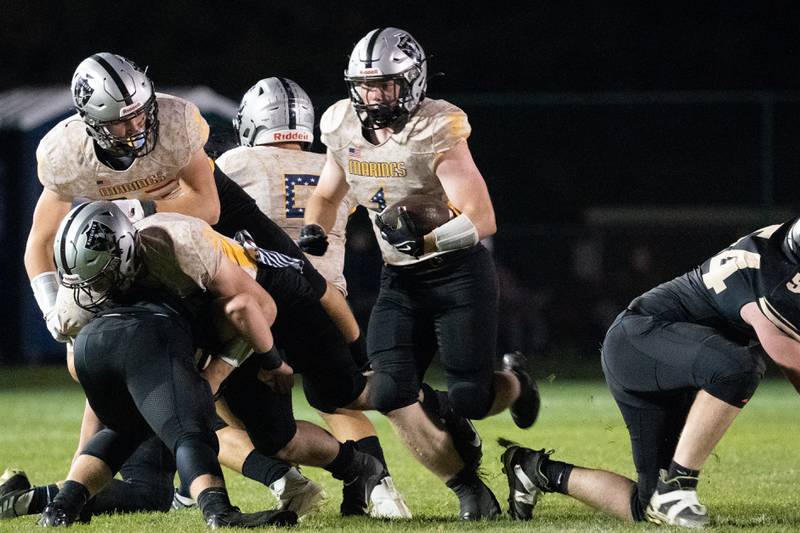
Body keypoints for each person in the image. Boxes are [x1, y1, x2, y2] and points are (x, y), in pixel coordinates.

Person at [19, 51, 335, 516]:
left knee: (184, 405)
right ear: (90, 121)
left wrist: (136, 216)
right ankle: (84, 496)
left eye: (138, 114)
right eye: (120, 122)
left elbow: (207, 209)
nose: (136, 127)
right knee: (133, 399)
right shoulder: (66, 155)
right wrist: (52, 308)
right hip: (118, 284)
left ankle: (63, 499)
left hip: (177, 266)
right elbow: (39, 243)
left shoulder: (177, 153)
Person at [302, 27, 540, 520]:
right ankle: (468, 488)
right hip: (401, 279)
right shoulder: (341, 124)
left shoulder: (437, 126)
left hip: (458, 275)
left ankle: (516, 382)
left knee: (473, 398)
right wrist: (314, 232)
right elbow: (327, 193)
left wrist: (430, 238)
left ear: (412, 82)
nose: (376, 95)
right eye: (368, 85)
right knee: (389, 391)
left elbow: (482, 217)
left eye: (388, 84)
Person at [500, 220, 800, 527]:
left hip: (670, 357)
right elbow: (788, 357)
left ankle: (536, 470)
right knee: (738, 367)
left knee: (647, 505)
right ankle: (679, 485)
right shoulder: (774, 279)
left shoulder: (780, 249)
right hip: (641, 342)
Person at [215, 76, 409, 517]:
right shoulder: (333, 163)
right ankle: (382, 491)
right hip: (328, 306)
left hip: (260, 306)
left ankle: (285, 480)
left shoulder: (234, 162)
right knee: (339, 398)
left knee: (220, 412)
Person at [41, 204, 298, 528]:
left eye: (102, 276)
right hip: (149, 339)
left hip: (92, 349)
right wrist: (248, 366)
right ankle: (219, 511)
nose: (95, 289)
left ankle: (62, 507)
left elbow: (77, 367)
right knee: (191, 430)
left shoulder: (176, 243)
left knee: (123, 431)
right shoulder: (174, 247)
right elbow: (250, 307)